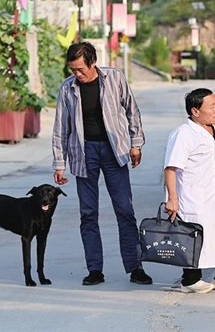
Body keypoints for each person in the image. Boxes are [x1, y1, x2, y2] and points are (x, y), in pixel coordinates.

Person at [52, 41, 152, 286]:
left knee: (125, 210)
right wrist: (59, 162)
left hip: (114, 150)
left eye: (81, 69)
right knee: (88, 213)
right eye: (73, 70)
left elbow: (132, 110)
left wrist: (136, 143)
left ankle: (135, 267)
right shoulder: (67, 89)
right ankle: (94, 269)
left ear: (93, 62)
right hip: (83, 153)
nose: (77, 74)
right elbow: (60, 128)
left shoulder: (115, 78)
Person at [163, 88, 215, 294]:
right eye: (212, 107)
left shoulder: (214, 130)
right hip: (194, 197)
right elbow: (171, 167)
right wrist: (172, 198)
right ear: (195, 111)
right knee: (195, 237)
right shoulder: (183, 134)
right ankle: (190, 280)